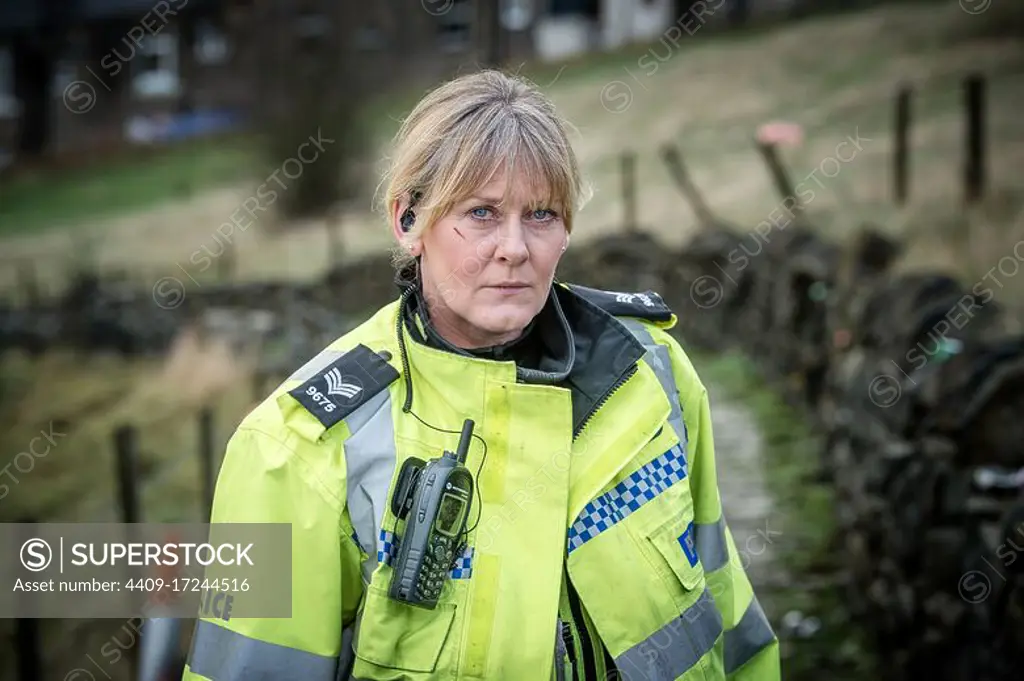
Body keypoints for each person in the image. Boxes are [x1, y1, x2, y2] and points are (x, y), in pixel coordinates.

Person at [182, 69, 779, 681]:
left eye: (542, 214)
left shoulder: (651, 371)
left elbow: (729, 622)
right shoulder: (295, 449)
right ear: (408, 222)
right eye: (481, 213)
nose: (515, 248)